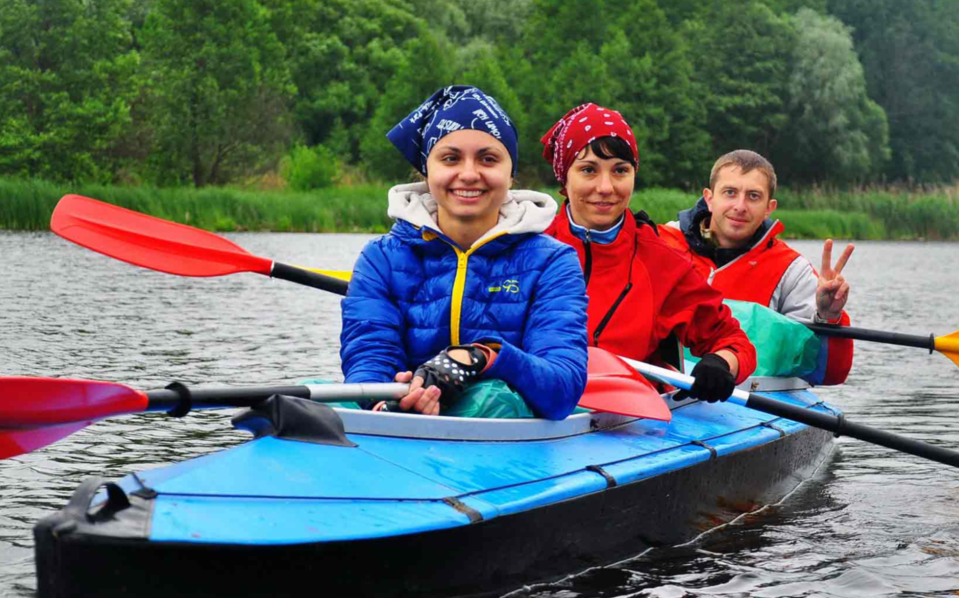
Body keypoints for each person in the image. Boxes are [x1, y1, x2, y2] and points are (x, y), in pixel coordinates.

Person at [341, 85, 588, 420]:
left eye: (488, 158)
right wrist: (387, 404)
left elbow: (562, 388)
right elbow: (369, 363)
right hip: (402, 427)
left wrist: (482, 356)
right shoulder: (379, 259)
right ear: (426, 172)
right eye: (450, 158)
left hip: (509, 440)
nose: (469, 174)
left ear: (510, 173)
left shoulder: (553, 263)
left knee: (493, 397)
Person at [540, 103, 756, 403]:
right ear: (564, 177)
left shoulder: (661, 262)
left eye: (620, 171)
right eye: (588, 170)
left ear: (634, 174)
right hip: (536, 413)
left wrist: (722, 364)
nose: (605, 187)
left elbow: (734, 343)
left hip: (623, 418)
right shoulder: (527, 246)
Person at [658, 149, 854, 386]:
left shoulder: (792, 270)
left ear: (769, 207)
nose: (740, 206)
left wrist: (829, 318)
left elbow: (828, 374)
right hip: (660, 384)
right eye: (730, 193)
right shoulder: (660, 243)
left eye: (753, 196)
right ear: (709, 198)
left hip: (747, 398)